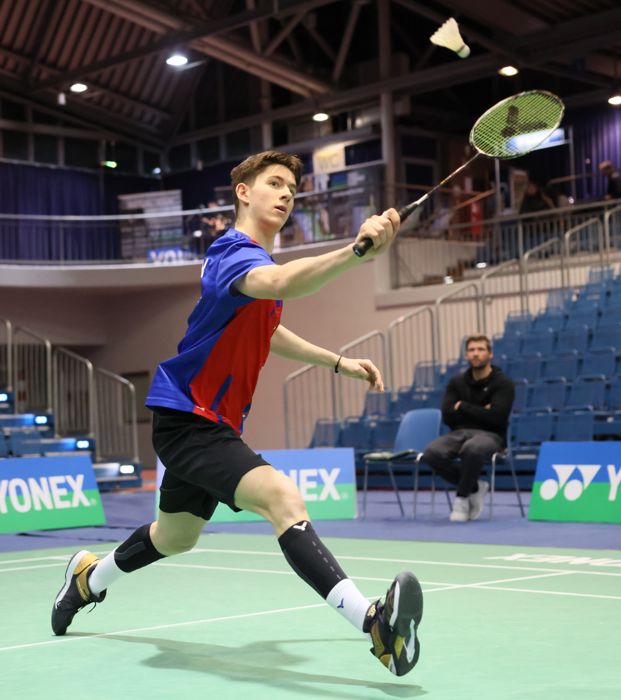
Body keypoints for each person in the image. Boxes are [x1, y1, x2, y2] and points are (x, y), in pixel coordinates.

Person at [50, 150, 423, 677]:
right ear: (243, 192)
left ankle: (87, 580)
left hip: (205, 420)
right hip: (189, 417)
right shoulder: (233, 253)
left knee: (174, 536)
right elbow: (282, 284)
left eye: (292, 187)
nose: (287, 193)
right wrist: (357, 253)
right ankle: (375, 625)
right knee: (282, 498)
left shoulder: (258, 268)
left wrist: (337, 362)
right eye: (274, 183)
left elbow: (269, 328)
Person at [422, 335, 514, 523]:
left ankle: (462, 499)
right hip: (459, 433)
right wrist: (482, 411)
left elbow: (497, 418)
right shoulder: (456, 382)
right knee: (432, 453)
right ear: (466, 355)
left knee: (472, 449)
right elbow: (448, 415)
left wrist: (463, 406)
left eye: (480, 349)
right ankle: (473, 487)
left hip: (492, 436)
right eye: (471, 350)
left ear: (490, 354)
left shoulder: (503, 383)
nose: (476, 354)